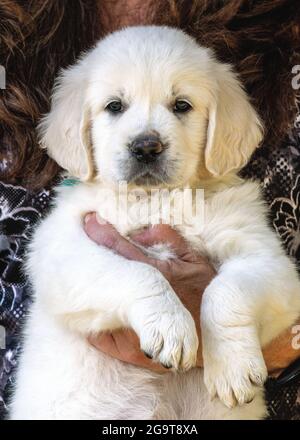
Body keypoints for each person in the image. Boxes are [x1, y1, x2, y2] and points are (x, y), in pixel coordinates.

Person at [0, 0, 299, 419]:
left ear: (219, 124)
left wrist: (227, 317)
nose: (147, 139)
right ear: (80, 129)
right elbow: (58, 274)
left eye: (181, 106)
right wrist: (143, 294)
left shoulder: (229, 204)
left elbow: (277, 285)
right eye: (115, 107)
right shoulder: (85, 210)